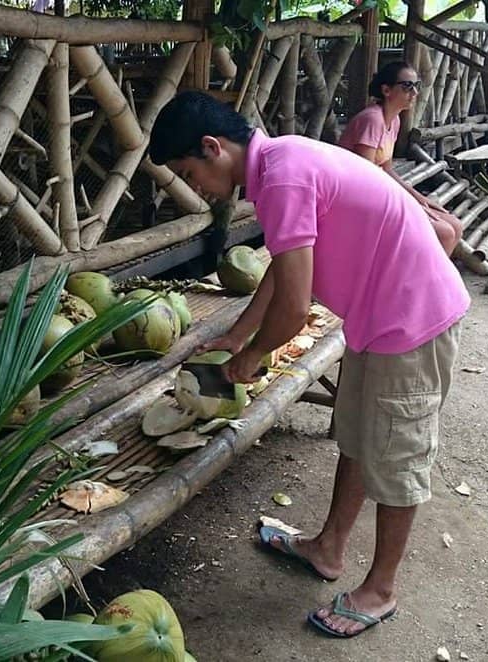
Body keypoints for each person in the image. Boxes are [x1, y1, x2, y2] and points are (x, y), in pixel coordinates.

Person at [149, 91, 470, 638]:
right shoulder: (281, 163)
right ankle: (328, 548)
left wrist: (252, 356)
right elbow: (285, 266)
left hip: (413, 319)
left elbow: (296, 308)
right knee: (358, 438)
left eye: (189, 172)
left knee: (397, 458)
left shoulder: (282, 178)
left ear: (212, 147)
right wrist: (239, 334)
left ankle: (381, 590)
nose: (196, 187)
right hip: (378, 315)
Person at [338, 61, 463, 256]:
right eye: (407, 86)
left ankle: (423, 275)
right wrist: (409, 204)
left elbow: (387, 169)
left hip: (379, 193)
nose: (415, 92)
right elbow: (366, 178)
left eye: (416, 85)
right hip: (357, 198)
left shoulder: (394, 120)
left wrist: (419, 198)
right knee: (445, 233)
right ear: (386, 90)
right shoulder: (372, 120)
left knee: (455, 225)